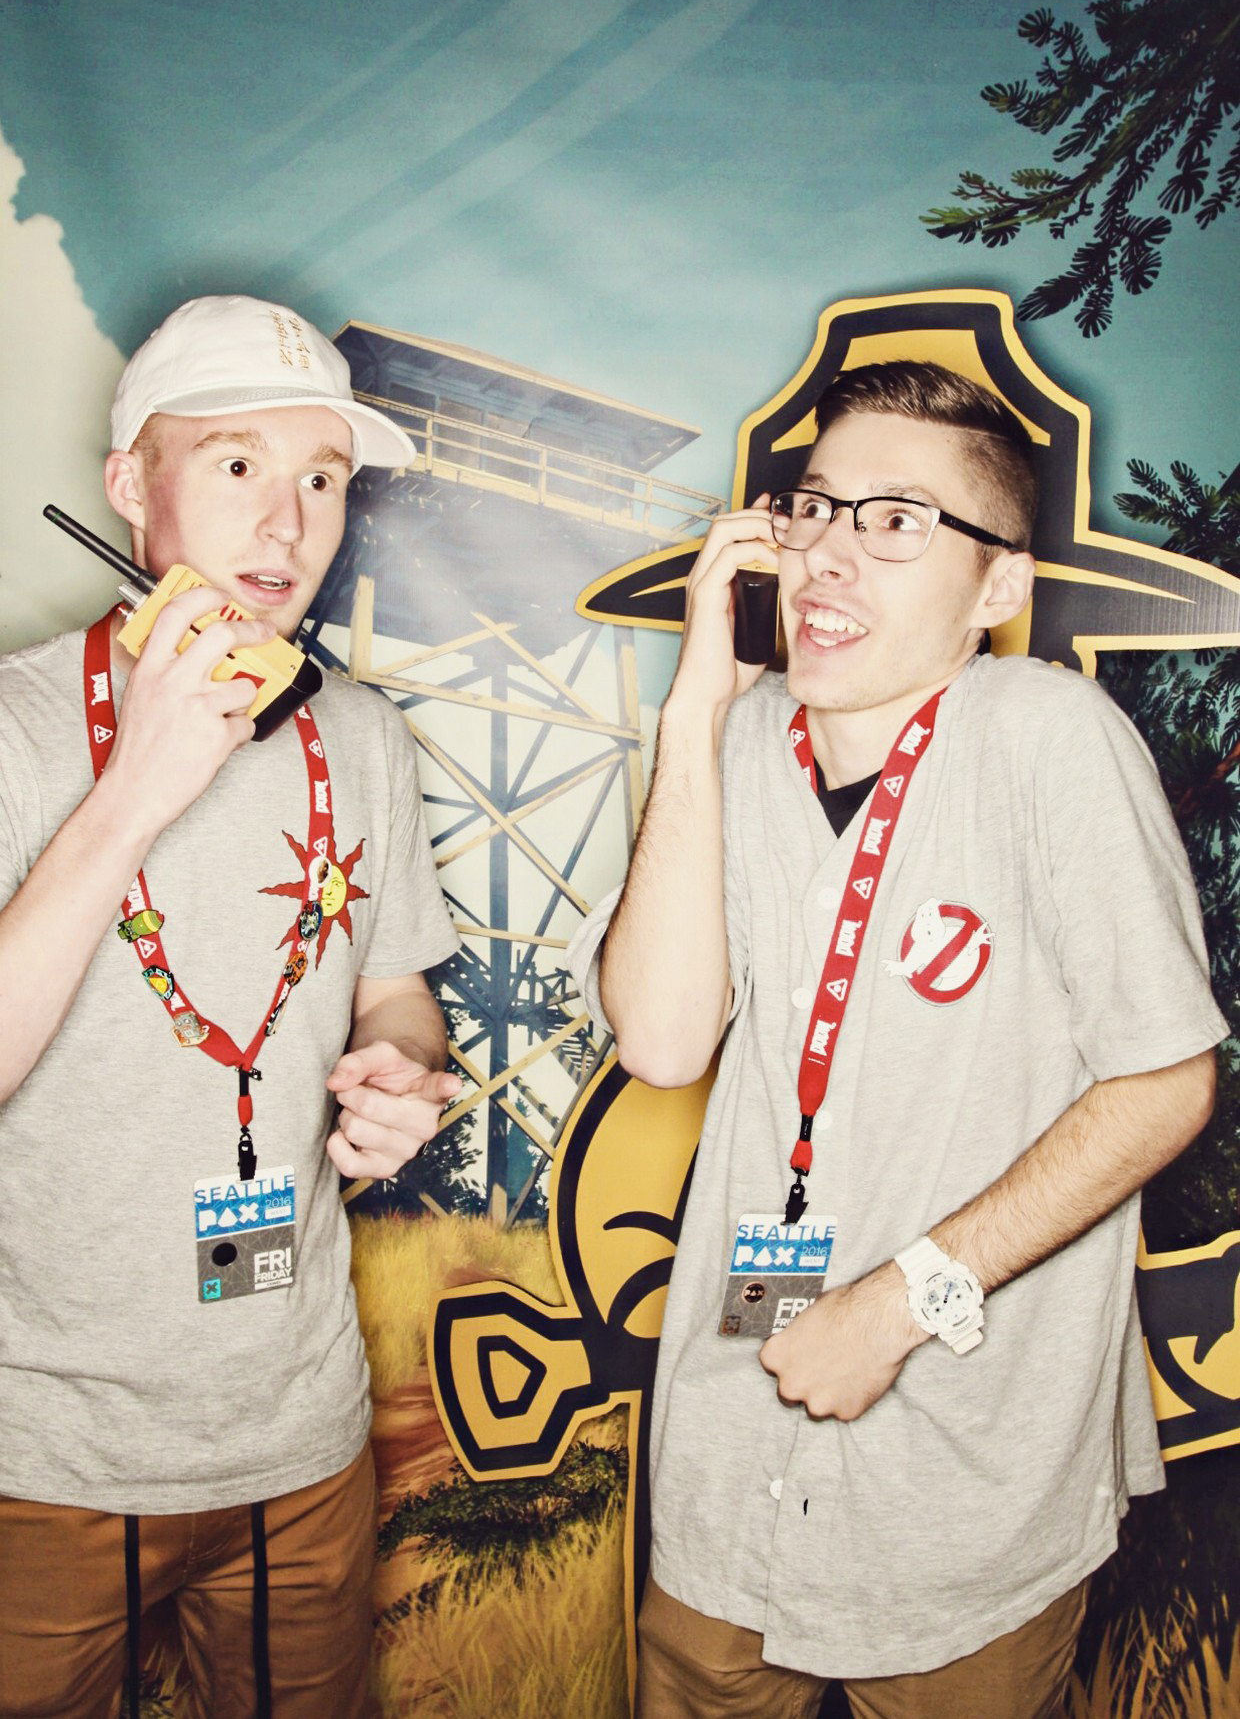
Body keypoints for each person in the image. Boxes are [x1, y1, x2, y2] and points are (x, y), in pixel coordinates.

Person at [568, 359, 1227, 1719]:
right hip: (727, 1460)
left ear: (997, 587)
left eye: (898, 521)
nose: (830, 553)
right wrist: (694, 708)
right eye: (816, 509)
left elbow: (1168, 1084)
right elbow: (665, 1042)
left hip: (965, 1490)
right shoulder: (739, 741)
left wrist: (900, 1302)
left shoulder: (1045, 735)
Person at [0, 296, 461, 1719]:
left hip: (298, 1440)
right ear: (131, 484)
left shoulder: (362, 736)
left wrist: (401, 1070)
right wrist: (134, 788)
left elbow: (397, 995)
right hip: (39, 1458)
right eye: (239, 463)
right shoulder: (11, 728)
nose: (287, 522)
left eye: (323, 477)